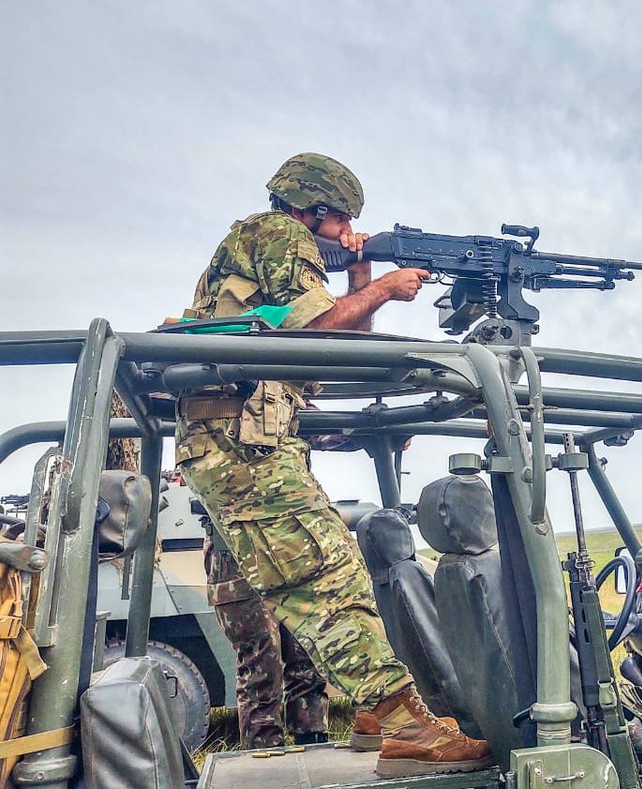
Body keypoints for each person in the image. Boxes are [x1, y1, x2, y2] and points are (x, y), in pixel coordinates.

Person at [174, 153, 491, 777]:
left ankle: (377, 713)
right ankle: (402, 721)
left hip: (252, 437)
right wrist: (385, 285)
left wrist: (364, 272)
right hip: (239, 441)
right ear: (312, 209)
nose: (348, 231)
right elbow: (316, 328)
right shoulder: (275, 236)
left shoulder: (282, 246)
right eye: (343, 220)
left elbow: (349, 341)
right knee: (324, 572)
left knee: (340, 562)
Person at [204, 529, 329, 748]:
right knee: (261, 668)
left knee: (308, 655)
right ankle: (264, 759)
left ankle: (314, 745)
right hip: (238, 546)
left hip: (292, 541)